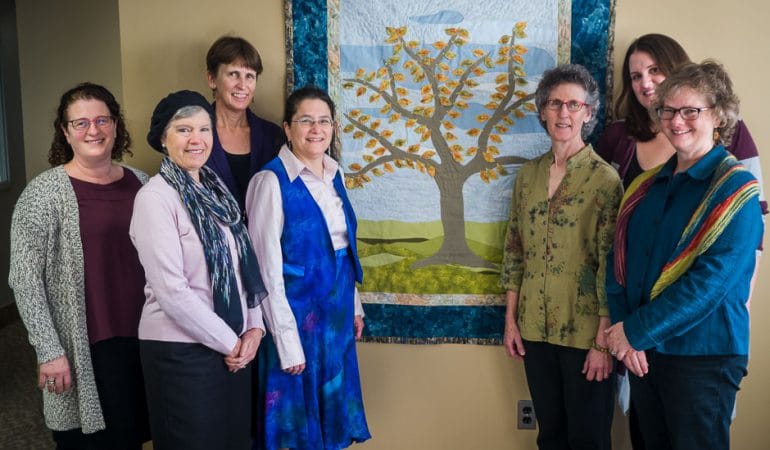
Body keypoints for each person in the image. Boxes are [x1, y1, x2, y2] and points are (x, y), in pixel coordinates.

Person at [597, 33, 766, 450]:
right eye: (668, 110)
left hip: (702, 356)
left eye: (691, 110)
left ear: (719, 117)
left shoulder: (736, 190)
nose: (677, 121)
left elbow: (708, 284)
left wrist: (633, 332)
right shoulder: (644, 187)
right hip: (644, 355)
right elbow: (618, 260)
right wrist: (624, 333)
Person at [9, 82, 151, 449]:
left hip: (142, 337)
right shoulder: (42, 194)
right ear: (65, 131)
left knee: (131, 437)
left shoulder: (144, 184)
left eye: (102, 120)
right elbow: (24, 279)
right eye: (81, 122)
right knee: (83, 442)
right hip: (81, 344)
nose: (94, 130)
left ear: (116, 125)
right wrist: (49, 350)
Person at [130, 90, 268, 450]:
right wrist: (233, 342)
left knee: (235, 441)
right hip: (182, 352)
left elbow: (243, 265)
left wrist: (254, 327)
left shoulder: (215, 188)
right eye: (183, 129)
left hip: (232, 348)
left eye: (204, 129)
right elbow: (172, 292)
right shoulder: (155, 198)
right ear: (163, 138)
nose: (197, 140)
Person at [500, 64, 622, 450]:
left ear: (588, 113)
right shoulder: (528, 176)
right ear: (542, 111)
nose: (563, 113)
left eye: (573, 104)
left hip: (586, 334)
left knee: (588, 439)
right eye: (555, 104)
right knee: (550, 436)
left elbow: (610, 265)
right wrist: (511, 320)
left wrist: (603, 342)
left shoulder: (605, 180)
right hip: (534, 329)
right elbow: (514, 250)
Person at [245, 86, 371, 450]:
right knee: (295, 431)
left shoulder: (336, 175)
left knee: (331, 426)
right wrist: (287, 344)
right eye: (306, 121)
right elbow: (264, 271)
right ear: (287, 128)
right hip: (295, 323)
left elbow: (344, 252)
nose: (316, 129)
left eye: (324, 121)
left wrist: (354, 306)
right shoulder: (269, 182)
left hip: (334, 321)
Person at [204, 35, 284, 211]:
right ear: (212, 79)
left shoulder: (273, 136)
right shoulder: (193, 135)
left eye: (250, 76)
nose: (242, 85)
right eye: (233, 74)